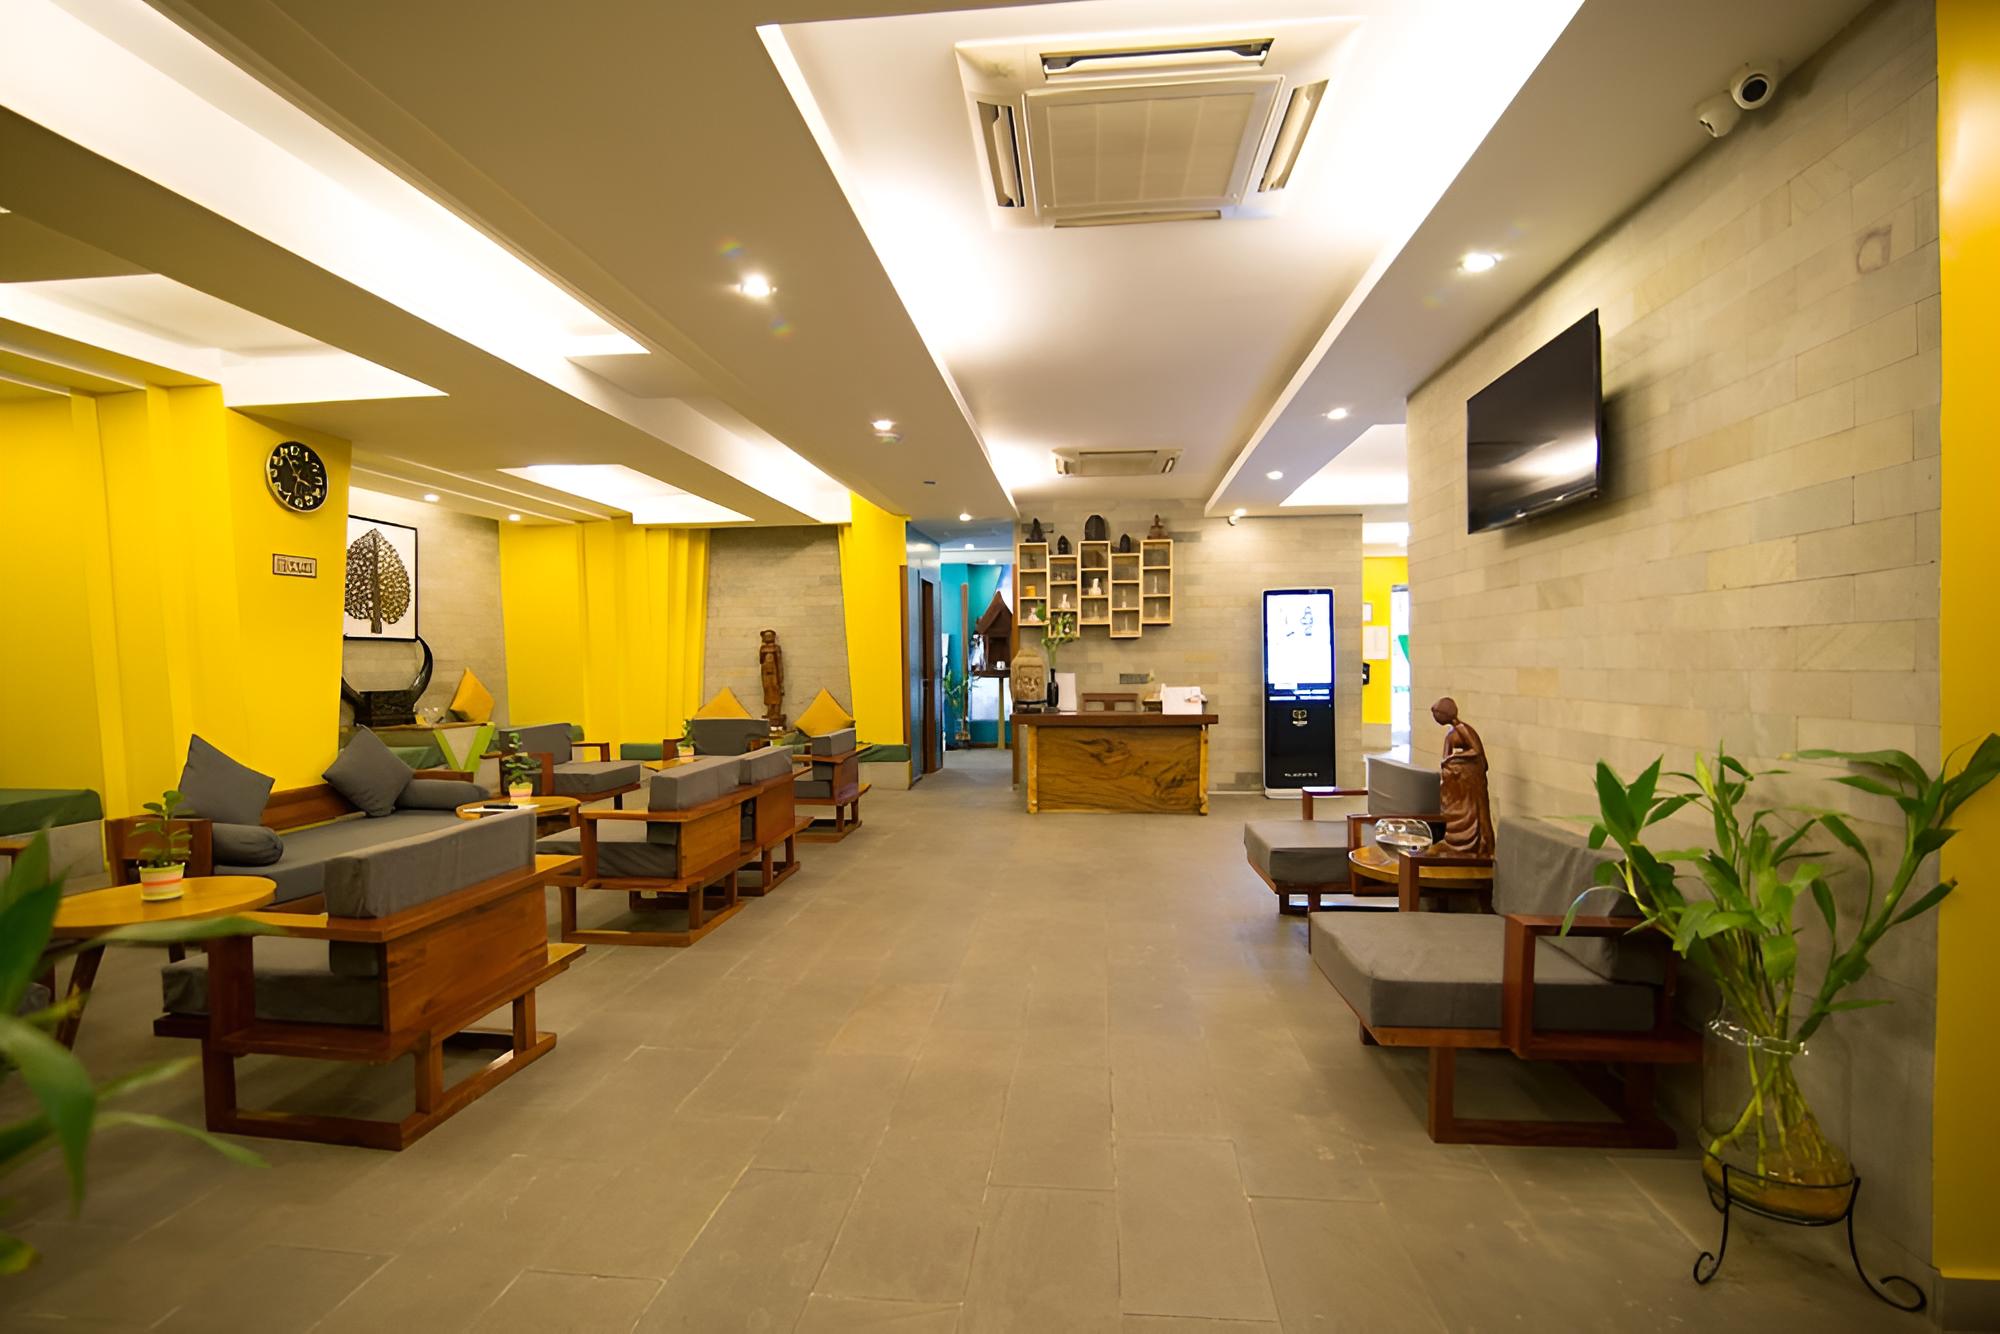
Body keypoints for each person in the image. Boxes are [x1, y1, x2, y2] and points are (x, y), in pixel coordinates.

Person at [1432, 697, 1494, 857]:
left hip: (1471, 779)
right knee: (1448, 796)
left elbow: (1477, 751)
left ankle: (1475, 844)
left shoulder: (1463, 729)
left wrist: (1455, 758)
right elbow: (1445, 758)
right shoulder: (1450, 735)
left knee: (1474, 810)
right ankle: (1453, 840)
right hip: (1458, 783)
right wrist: (1449, 764)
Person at [758, 629, 784, 728]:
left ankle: (776, 712)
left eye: (770, 636)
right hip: (765, 673)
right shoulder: (762, 648)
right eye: (766, 636)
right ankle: (769, 711)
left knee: (775, 690)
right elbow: (761, 660)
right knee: (767, 690)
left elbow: (779, 662)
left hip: (774, 673)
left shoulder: (776, 648)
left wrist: (780, 679)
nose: (768, 638)